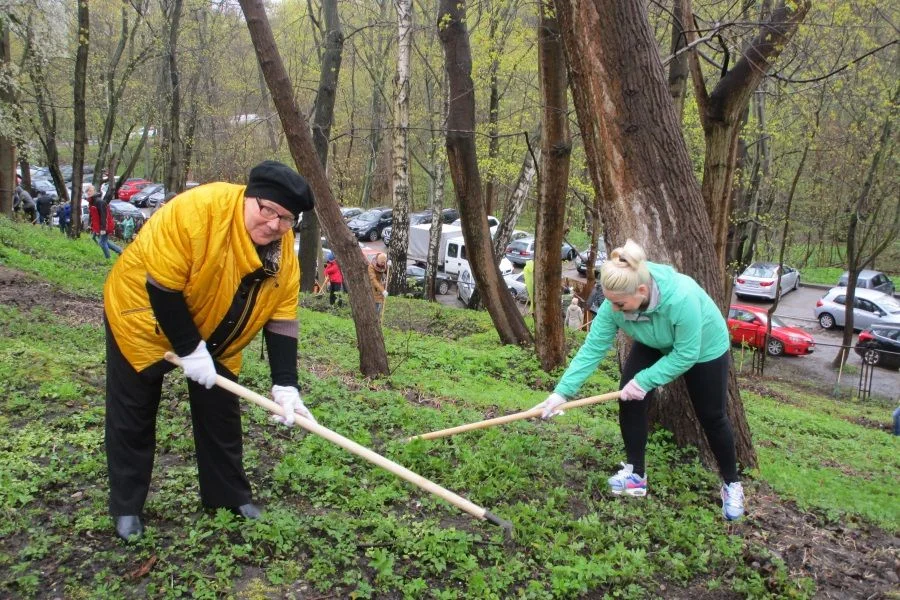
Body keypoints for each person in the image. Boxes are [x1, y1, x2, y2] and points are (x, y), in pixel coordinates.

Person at [103, 160, 315, 542]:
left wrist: (286, 385)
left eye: (286, 219)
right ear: (249, 196)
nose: (274, 225)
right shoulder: (197, 212)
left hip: (217, 330)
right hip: (141, 314)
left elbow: (282, 317)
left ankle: (227, 498)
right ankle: (127, 506)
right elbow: (162, 286)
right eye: (268, 210)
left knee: (220, 415)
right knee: (133, 411)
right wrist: (189, 349)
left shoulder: (283, 253)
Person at [532, 239, 744, 521]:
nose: (613, 310)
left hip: (704, 347)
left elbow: (686, 354)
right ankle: (636, 476)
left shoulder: (681, 297)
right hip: (654, 338)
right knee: (628, 397)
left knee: (712, 416)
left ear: (642, 291)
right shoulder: (617, 304)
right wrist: (561, 393)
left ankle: (732, 483)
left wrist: (645, 380)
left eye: (619, 304)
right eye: (610, 302)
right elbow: (593, 349)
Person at [89, 194, 123, 259]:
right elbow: (95, 217)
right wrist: (92, 226)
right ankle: (119, 251)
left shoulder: (100, 203)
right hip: (100, 226)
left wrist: (103, 229)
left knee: (102, 242)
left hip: (105, 226)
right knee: (104, 241)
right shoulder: (93, 203)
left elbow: (104, 217)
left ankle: (108, 258)